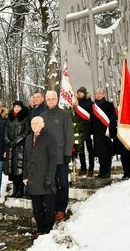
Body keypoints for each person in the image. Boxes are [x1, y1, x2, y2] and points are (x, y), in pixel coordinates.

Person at [41, 90, 74, 221]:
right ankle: (52, 207)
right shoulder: (42, 115)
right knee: (51, 183)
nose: (50, 101)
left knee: (63, 184)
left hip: (61, 156)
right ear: (46, 100)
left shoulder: (64, 115)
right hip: (48, 157)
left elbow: (69, 135)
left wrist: (67, 153)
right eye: (48, 99)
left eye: (52, 98)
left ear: (57, 99)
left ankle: (61, 208)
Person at [23, 116, 57, 239]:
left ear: (43, 124)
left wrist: (49, 177)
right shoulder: (28, 138)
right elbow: (26, 159)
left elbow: (53, 160)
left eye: (37, 123)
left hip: (45, 178)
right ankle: (40, 229)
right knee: (37, 208)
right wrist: (25, 176)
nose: (34, 125)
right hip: (32, 179)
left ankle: (47, 230)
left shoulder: (49, 138)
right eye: (32, 123)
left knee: (49, 206)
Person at [4, 100, 29, 198]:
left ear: (21, 108)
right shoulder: (10, 118)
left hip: (20, 147)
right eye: (15, 107)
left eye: (18, 107)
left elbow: (27, 131)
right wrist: (8, 141)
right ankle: (15, 190)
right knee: (13, 171)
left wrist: (16, 141)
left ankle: (20, 190)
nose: (16, 108)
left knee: (20, 170)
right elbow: (5, 131)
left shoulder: (25, 118)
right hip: (11, 148)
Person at [92, 88, 117, 179]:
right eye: (97, 93)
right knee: (100, 153)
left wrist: (111, 130)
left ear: (103, 94)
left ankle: (107, 172)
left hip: (106, 132)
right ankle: (101, 172)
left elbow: (113, 118)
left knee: (107, 153)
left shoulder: (109, 105)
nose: (98, 95)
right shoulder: (93, 106)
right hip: (97, 133)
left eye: (100, 93)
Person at [74, 86, 94, 177]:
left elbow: (93, 117)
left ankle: (91, 169)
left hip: (88, 130)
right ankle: (83, 168)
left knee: (90, 150)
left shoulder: (90, 103)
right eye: (78, 92)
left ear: (85, 94)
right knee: (81, 151)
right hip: (79, 130)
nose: (79, 94)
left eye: (81, 92)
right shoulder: (75, 104)